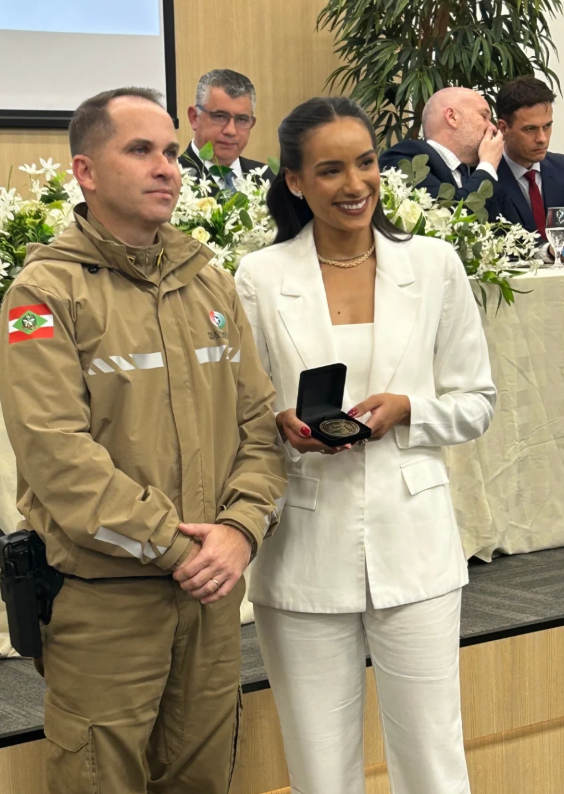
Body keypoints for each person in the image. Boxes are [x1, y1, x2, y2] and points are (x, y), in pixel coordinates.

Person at [0, 86, 287, 794]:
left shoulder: (208, 283)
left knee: (203, 780)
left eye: (170, 152)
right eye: (140, 150)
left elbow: (259, 425)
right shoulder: (45, 294)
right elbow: (59, 459)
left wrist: (241, 530)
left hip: (209, 596)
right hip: (109, 600)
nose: (166, 168)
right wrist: (181, 549)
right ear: (86, 171)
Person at [235, 96, 496, 794]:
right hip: (303, 545)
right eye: (330, 170)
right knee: (320, 769)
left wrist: (409, 410)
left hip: (414, 542)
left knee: (432, 761)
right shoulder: (260, 278)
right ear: (295, 181)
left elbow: (476, 402)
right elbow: (241, 413)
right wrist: (282, 426)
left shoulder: (434, 265)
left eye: (366, 163)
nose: (354, 185)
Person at [379, 86, 507, 220]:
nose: (493, 127)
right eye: (484, 116)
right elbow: (448, 221)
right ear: (452, 117)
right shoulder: (404, 157)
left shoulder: (479, 171)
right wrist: (487, 165)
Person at [179, 68, 275, 195]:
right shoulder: (171, 180)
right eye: (220, 116)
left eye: (242, 119)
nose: (231, 131)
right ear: (194, 117)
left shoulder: (269, 180)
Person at [496, 76, 564, 243]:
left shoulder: (561, 168)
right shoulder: (486, 178)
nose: (542, 138)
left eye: (547, 126)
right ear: (503, 128)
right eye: (530, 129)